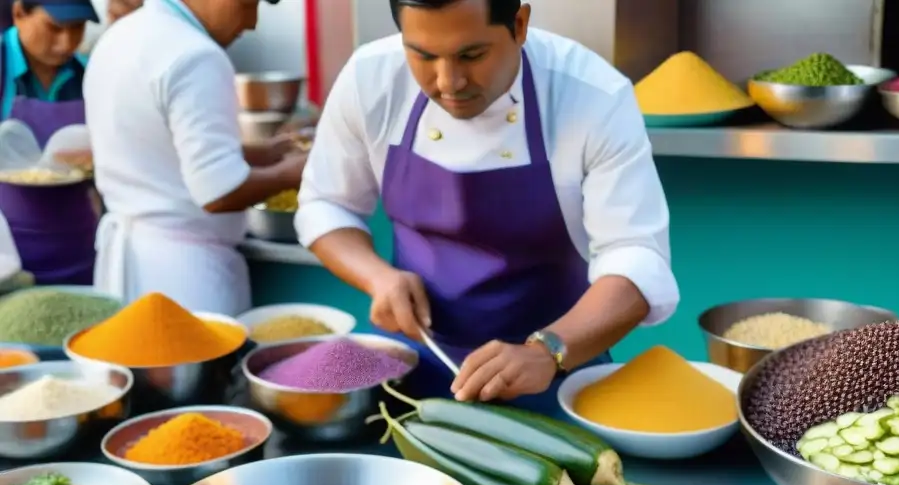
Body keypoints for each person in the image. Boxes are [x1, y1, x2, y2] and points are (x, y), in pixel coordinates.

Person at [296, 0, 679, 414]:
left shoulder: (592, 95)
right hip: (409, 368)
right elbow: (325, 204)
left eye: (471, 55)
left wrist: (547, 350)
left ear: (519, 23)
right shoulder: (369, 79)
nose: (449, 82)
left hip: (556, 373)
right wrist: (377, 278)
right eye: (422, 55)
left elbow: (637, 258)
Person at [83, 0, 305, 315]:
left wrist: (264, 153)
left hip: (129, 263)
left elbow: (158, 150)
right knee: (193, 366)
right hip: (184, 279)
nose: (252, 23)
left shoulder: (122, 35)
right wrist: (293, 172)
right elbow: (219, 191)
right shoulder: (196, 55)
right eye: (248, 5)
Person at [0, 0, 98, 284]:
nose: (66, 42)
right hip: (9, 258)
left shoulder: (90, 74)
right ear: (19, 13)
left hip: (78, 247)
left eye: (77, 28)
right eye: (54, 28)